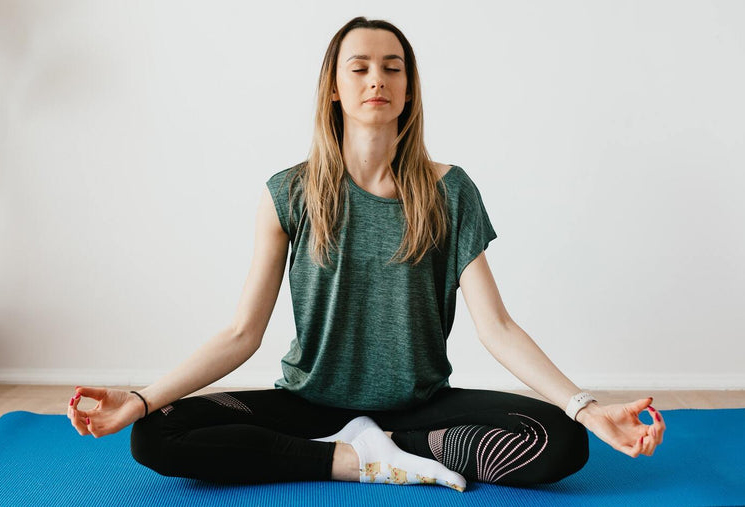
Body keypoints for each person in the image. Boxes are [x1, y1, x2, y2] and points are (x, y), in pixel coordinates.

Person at [67, 16, 666, 492]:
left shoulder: (449, 191)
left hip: (421, 407)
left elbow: (499, 327)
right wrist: (142, 397)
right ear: (335, 87)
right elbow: (241, 333)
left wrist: (586, 408)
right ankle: (357, 460)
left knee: (561, 442)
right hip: (309, 405)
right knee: (156, 434)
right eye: (359, 68)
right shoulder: (289, 193)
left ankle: (395, 451)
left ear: (408, 89)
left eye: (392, 68)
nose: (376, 79)